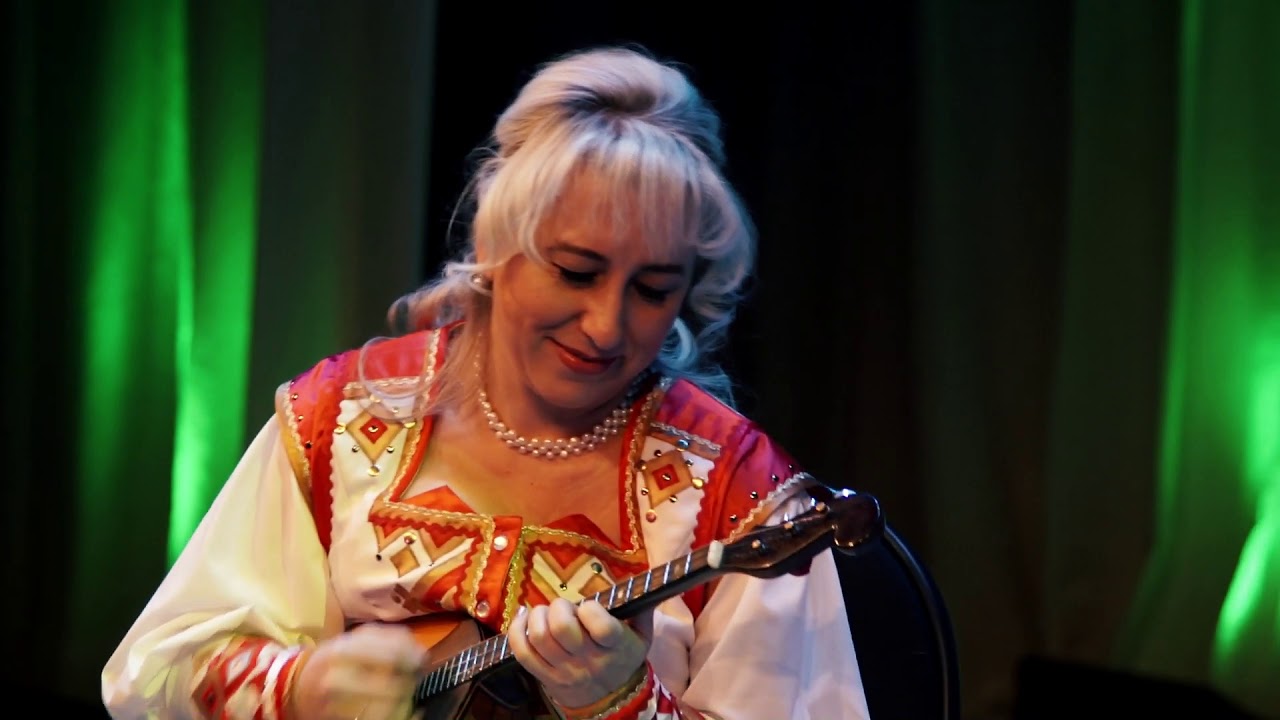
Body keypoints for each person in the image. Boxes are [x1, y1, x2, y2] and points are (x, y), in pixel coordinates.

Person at [101, 45, 871, 720]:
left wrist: (625, 702)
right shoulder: (343, 418)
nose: (606, 326)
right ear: (496, 245)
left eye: (652, 289)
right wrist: (301, 689)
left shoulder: (739, 494)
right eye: (576, 271)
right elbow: (156, 673)